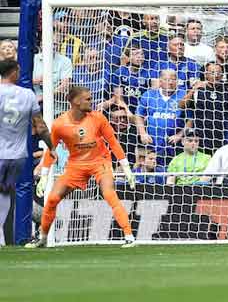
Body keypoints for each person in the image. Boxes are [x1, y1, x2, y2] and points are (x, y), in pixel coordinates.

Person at [28, 85, 136, 248]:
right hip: (76, 165)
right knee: (52, 199)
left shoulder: (98, 118)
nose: (91, 101)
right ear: (76, 101)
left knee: (109, 194)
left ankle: (129, 236)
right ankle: (42, 238)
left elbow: (113, 143)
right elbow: (52, 150)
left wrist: (126, 168)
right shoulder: (59, 124)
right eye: (88, 99)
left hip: (100, 162)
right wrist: (44, 176)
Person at [0, 61, 51, 246]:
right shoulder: (27, 94)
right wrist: (51, 147)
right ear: (14, 73)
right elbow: (41, 126)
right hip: (17, 156)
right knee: (6, 194)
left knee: (4, 195)